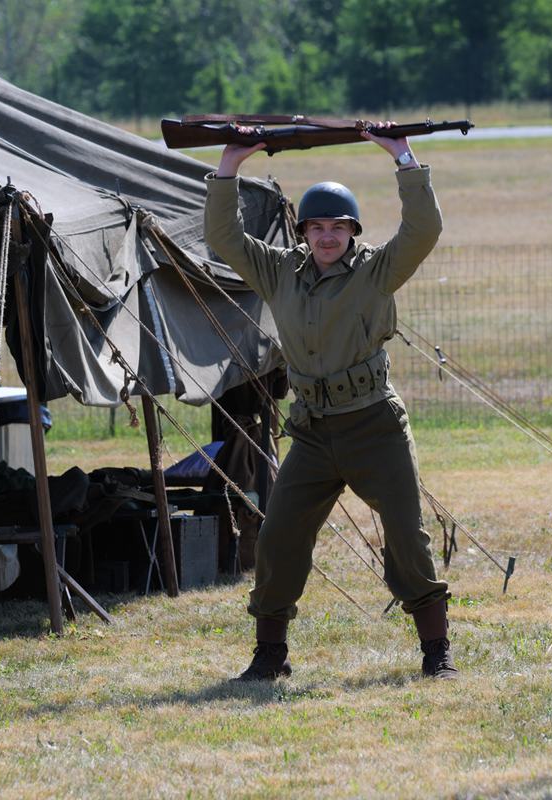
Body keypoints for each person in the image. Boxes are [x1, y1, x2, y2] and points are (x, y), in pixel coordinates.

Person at [203, 122, 458, 680]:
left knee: (407, 536)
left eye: (337, 227)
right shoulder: (279, 272)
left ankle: (436, 651)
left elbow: (423, 230)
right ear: (303, 232)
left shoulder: (375, 271)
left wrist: (403, 157)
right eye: (316, 227)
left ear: (351, 231)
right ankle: (270, 655)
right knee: (278, 537)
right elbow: (224, 237)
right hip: (313, 431)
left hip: (374, 426)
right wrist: (228, 166)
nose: (326, 237)